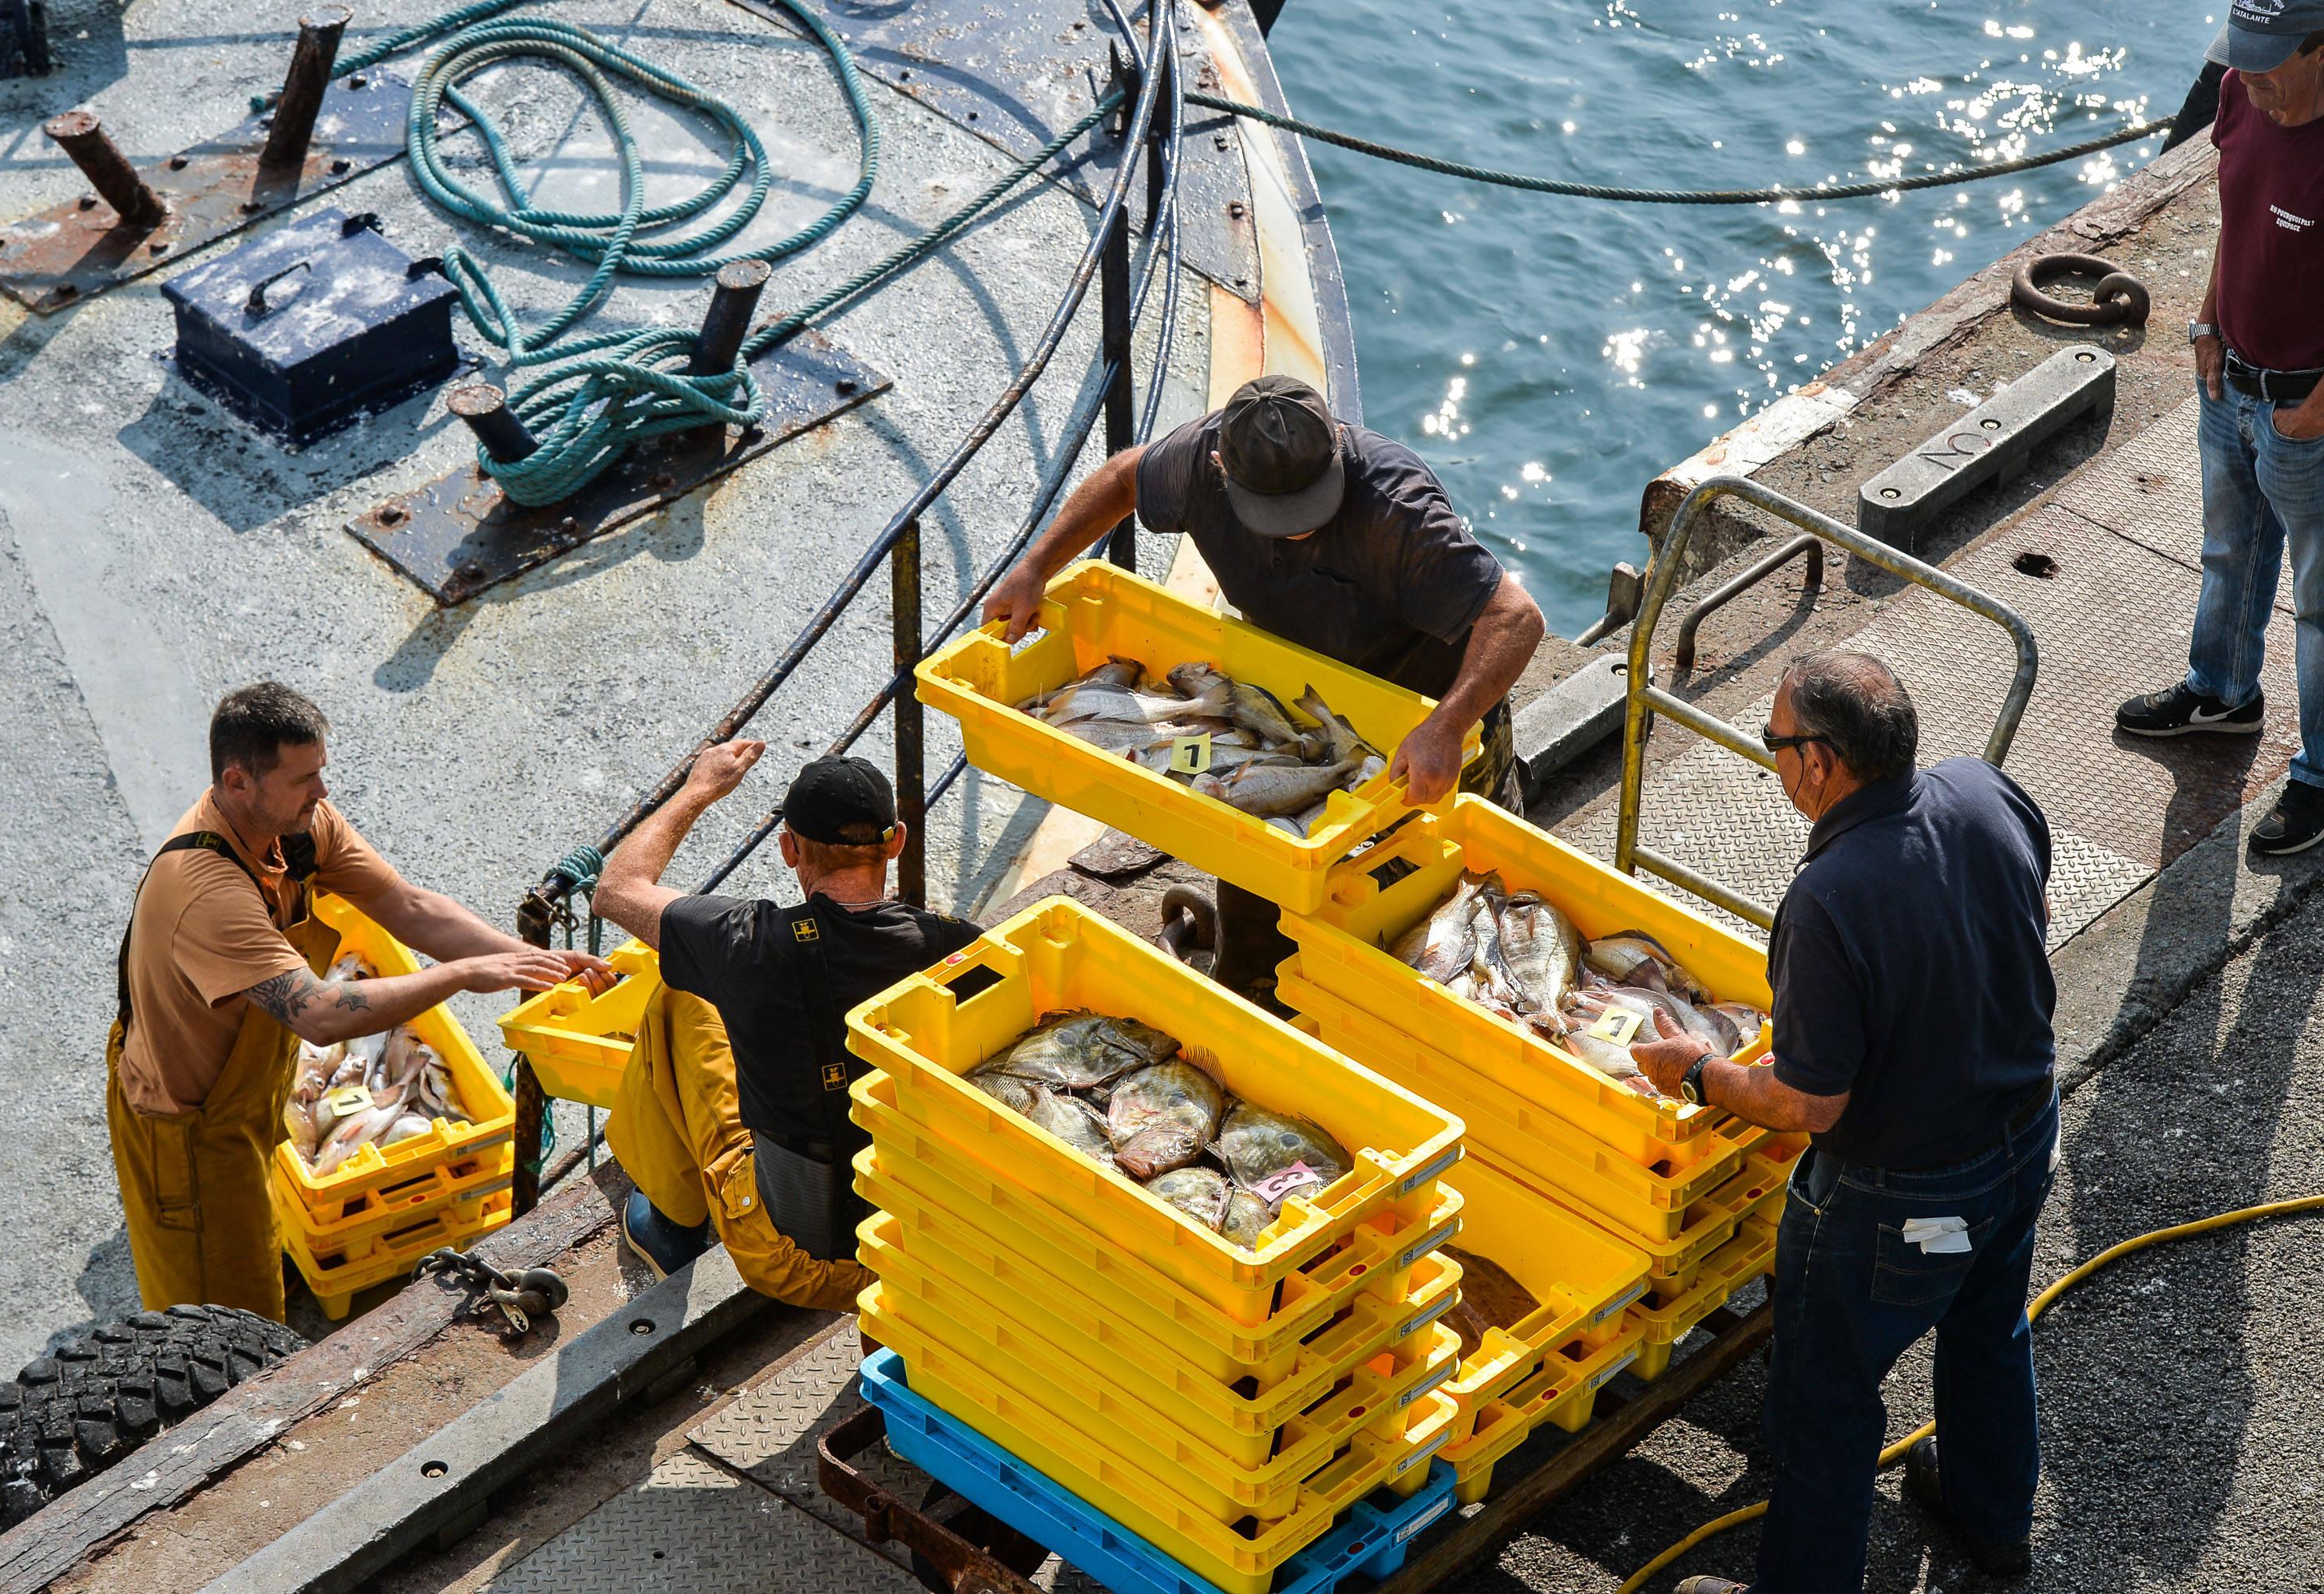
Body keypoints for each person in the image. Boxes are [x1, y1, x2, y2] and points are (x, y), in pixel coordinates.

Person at [1631, 652, 2059, 1594]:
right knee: (1990, 1327)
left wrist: (1699, 1070)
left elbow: (1807, 1104)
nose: (1774, 762)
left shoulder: (1828, 897)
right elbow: (2015, 908)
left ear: (1820, 761)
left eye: (1773, 745)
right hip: (2027, 1136)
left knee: (1828, 1402)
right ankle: (1997, 1525)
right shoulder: (1984, 791)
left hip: (1901, 1197)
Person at [982, 374, 1546, 987]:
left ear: (1336, 445)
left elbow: (1515, 618)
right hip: (1296, 701)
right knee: (1257, 862)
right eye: (1276, 514)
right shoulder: (1198, 459)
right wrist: (1037, 566)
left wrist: (1447, 724)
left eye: (1311, 505)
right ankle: (1255, 986)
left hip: (1431, 706)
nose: (1296, 527)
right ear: (1221, 467)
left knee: (1482, 871)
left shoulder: (1398, 508)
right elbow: (1124, 479)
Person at [110, 684, 610, 1321]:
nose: (322, 792)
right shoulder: (204, 889)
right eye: (304, 779)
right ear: (238, 783)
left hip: (246, 1094)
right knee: (229, 1334)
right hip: (187, 1134)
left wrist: (527, 959)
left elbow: (410, 907)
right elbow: (318, 1012)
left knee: (255, 1269)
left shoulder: (295, 830)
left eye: (321, 771)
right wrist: (462, 975)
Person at [591, 744, 983, 1307]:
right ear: (896, 841)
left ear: (788, 849)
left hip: (794, 1258)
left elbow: (617, 889)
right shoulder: (958, 948)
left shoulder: (747, 944)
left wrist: (699, 789)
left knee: (680, 992)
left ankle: (674, 1223)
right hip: (919, 1239)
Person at [2116, 4, 2324, 856]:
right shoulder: (2240, 95)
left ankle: (2320, 774)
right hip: (2227, 373)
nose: (2255, 82)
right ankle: (2223, 693)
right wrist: (2206, 323)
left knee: (2320, 603)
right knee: (2228, 551)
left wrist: (2316, 409)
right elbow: (2237, 218)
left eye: (2274, 67)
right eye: (2246, 62)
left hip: (2306, 408)